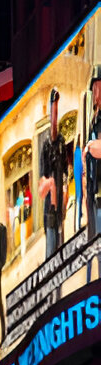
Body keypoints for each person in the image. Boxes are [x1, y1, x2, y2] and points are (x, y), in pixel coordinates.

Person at [39, 88, 68, 255]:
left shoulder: (62, 142)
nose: (55, 114)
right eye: (53, 108)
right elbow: (42, 180)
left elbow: (64, 170)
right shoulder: (45, 145)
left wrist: (64, 190)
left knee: (61, 249)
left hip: (59, 210)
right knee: (51, 251)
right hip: (50, 210)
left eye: (56, 107)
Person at [84, 68, 101, 241]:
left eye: (97, 89)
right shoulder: (94, 120)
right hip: (94, 194)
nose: (95, 94)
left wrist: (91, 147)